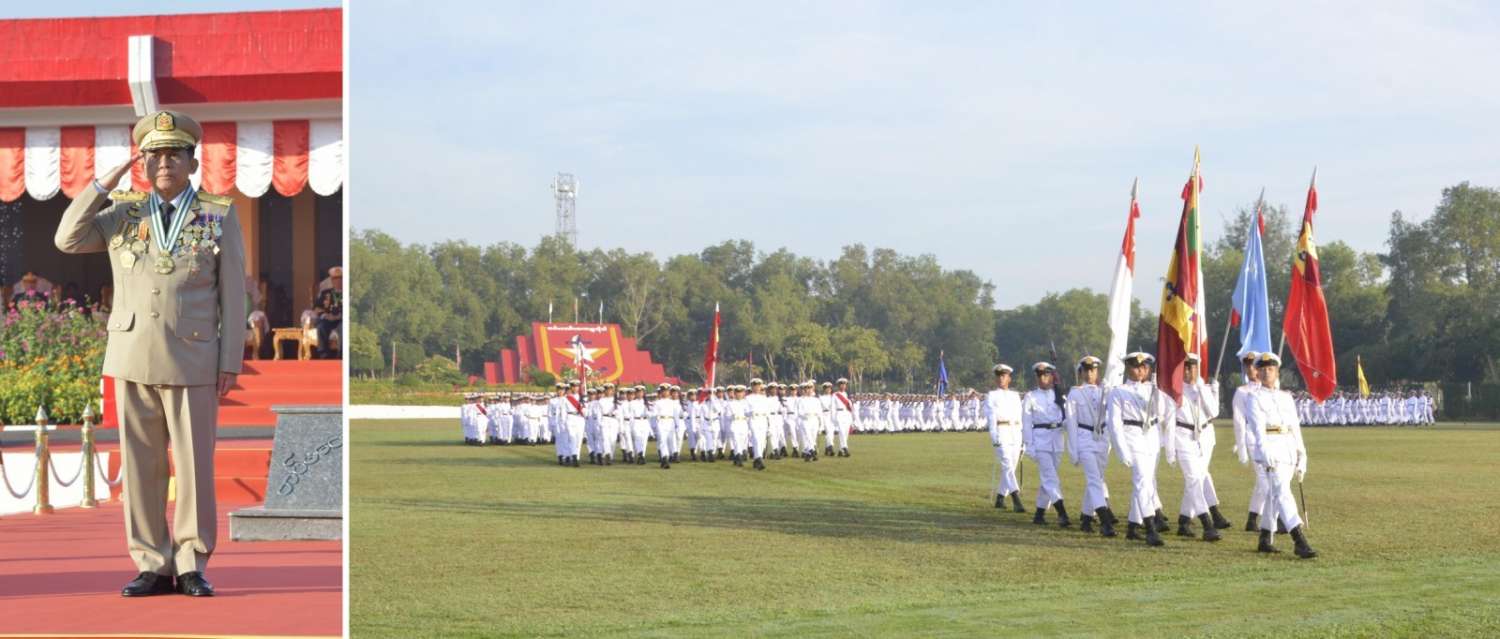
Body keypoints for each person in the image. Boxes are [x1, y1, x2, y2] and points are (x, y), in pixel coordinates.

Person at [55, 110, 246, 597]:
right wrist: (102, 183)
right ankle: (152, 562)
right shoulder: (123, 213)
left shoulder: (217, 214)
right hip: (132, 354)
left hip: (192, 357)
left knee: (194, 467)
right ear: (142, 163)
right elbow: (67, 238)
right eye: (155, 155)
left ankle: (191, 562)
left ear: (192, 162)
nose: (164, 163)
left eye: (174, 154)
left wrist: (230, 360)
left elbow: (232, 294)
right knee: (141, 468)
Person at [1244, 353, 1318, 558]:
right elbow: (1258, 429)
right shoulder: (1254, 398)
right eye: (1262, 369)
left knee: (1274, 495)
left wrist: (1302, 454)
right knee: (1283, 493)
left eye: (1270, 369)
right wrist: (1264, 451)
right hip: (1271, 451)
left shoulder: (1286, 397)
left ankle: (1265, 538)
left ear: (1277, 372)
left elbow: (1295, 427)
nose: (1266, 372)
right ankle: (1298, 539)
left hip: (1288, 449)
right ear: (1257, 373)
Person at [1106, 353, 1173, 547]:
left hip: (1151, 437)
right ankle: (1150, 527)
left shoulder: (1154, 388)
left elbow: (1162, 412)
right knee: (1142, 482)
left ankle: (1132, 527)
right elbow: (1114, 424)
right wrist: (1121, 450)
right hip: (1132, 437)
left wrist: (1158, 391)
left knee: (1146, 482)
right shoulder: (1119, 392)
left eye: (1145, 366)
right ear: (1128, 368)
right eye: (1136, 366)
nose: (1141, 370)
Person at [1164, 354, 1227, 541]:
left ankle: (1184, 521)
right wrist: (1170, 450)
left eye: (1192, 367)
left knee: (1197, 480)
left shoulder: (1203, 388)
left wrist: (1201, 388)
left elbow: (1213, 412)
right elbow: (1169, 422)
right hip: (1183, 437)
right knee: (1193, 480)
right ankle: (1207, 524)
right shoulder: (1174, 391)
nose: (1188, 371)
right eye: (1185, 367)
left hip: (1205, 437)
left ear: (1197, 369)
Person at [1066, 356, 1117, 536]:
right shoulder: (1075, 394)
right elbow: (1071, 423)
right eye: (1086, 370)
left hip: (1101, 439)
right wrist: (1073, 450)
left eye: (1093, 370)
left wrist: (1110, 389)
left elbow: (1112, 415)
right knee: (1095, 480)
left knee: (1097, 478)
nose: (1090, 374)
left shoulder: (1105, 391)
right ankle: (1105, 521)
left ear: (1097, 372)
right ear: (1080, 373)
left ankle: (1086, 518)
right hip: (1084, 439)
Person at [1022, 362, 1070, 527]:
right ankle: (1062, 512)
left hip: (1057, 440)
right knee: (1050, 478)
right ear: (1036, 377)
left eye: (1046, 375)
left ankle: (1039, 514)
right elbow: (1026, 423)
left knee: (1048, 479)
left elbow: (1066, 418)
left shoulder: (1059, 395)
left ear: (1051, 377)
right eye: (1040, 375)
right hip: (1040, 440)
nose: (1043, 378)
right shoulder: (1030, 397)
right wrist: (1029, 445)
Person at [984, 364, 1025, 513]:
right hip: (1001, 431)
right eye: (998, 376)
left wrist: (1023, 439)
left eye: (1003, 376)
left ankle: (1000, 498)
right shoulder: (992, 395)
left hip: (1016, 432)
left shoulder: (1015, 396)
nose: (1001, 378)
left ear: (1009, 378)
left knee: (1011, 467)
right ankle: (1016, 498)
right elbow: (991, 418)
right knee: (1007, 464)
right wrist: (994, 437)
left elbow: (1020, 417)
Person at [314, 267, 342, 358]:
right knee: (321, 326)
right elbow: (317, 308)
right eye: (335, 279)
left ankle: (341, 355)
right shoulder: (325, 293)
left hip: (342, 320)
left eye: (340, 278)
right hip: (328, 319)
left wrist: (340, 316)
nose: (337, 281)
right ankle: (324, 355)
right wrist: (325, 315)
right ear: (331, 280)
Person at [831, 378, 854, 457]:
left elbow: (849, 406)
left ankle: (841, 450)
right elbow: (833, 407)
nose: (843, 386)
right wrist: (833, 418)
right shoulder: (835, 395)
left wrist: (851, 417)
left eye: (844, 384)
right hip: (839, 414)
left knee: (846, 432)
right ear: (838, 385)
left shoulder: (846, 394)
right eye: (841, 384)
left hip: (846, 414)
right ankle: (845, 448)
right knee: (841, 432)